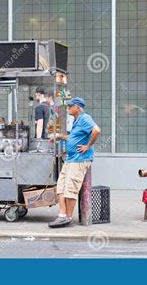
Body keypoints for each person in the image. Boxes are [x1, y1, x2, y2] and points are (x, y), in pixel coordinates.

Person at [48, 97, 101, 228]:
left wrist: (88, 146)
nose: (68, 108)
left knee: (71, 188)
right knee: (61, 185)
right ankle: (62, 215)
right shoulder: (76, 120)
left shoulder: (84, 118)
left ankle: (68, 218)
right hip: (71, 159)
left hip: (79, 159)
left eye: (70, 106)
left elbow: (97, 130)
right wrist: (60, 136)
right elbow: (73, 137)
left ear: (77, 108)